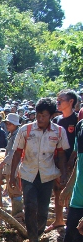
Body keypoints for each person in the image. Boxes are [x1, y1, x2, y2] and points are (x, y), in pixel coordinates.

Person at [10, 98, 69, 242]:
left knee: (42, 211)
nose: (40, 119)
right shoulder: (26, 130)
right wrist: (12, 176)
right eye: (38, 115)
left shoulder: (59, 131)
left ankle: (38, 232)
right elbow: (17, 154)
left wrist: (63, 175)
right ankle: (33, 240)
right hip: (28, 174)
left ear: (51, 115)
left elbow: (62, 155)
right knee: (30, 206)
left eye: (44, 115)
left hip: (47, 175)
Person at [52, 118, 83, 242]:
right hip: (78, 198)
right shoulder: (81, 126)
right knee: (71, 239)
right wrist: (69, 187)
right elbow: (79, 161)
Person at [47, 90, 80, 232]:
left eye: (61, 100)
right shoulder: (57, 120)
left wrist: (72, 160)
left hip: (74, 162)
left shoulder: (78, 119)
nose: (58, 102)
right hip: (58, 161)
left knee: (73, 190)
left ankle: (74, 221)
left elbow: (78, 143)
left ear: (71, 102)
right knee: (57, 189)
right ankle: (59, 220)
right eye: (57, 99)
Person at [0, 113, 24, 217]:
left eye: (10, 124)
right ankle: (16, 213)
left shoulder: (17, 135)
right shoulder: (11, 134)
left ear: (15, 125)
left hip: (15, 167)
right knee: (12, 192)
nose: (8, 126)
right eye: (7, 124)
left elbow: (13, 153)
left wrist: (3, 162)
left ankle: (17, 214)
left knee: (15, 191)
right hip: (10, 167)